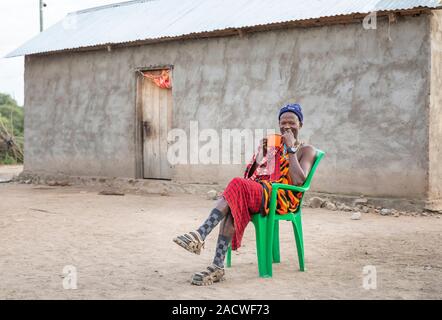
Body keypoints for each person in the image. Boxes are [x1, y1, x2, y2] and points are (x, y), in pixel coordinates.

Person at [173, 103, 317, 285]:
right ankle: (217, 266)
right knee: (234, 203)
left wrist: (290, 149)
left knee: (236, 185)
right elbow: (251, 176)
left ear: (300, 125)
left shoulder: (306, 150)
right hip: (262, 192)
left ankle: (201, 233)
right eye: (283, 122)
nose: (286, 127)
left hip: (281, 198)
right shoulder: (274, 146)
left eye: (292, 123)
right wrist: (261, 155)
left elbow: (298, 181)